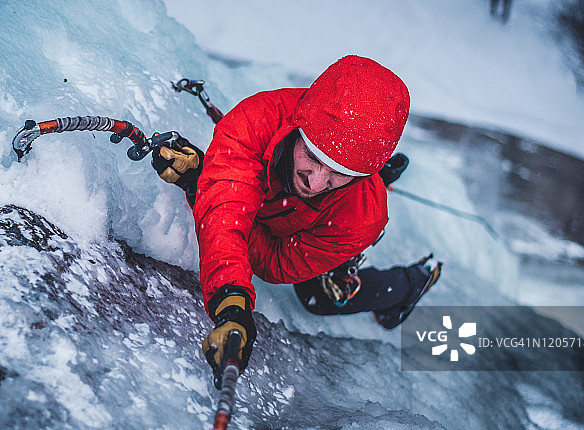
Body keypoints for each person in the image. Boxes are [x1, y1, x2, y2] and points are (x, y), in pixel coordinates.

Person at [151, 55, 440, 379]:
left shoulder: (362, 217)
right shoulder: (256, 121)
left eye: (340, 173)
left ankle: (408, 284)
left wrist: (204, 185)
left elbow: (274, 262)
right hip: (281, 209)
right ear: (298, 127)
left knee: (318, 297)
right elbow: (229, 214)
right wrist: (230, 303)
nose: (315, 183)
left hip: (316, 227)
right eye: (313, 157)